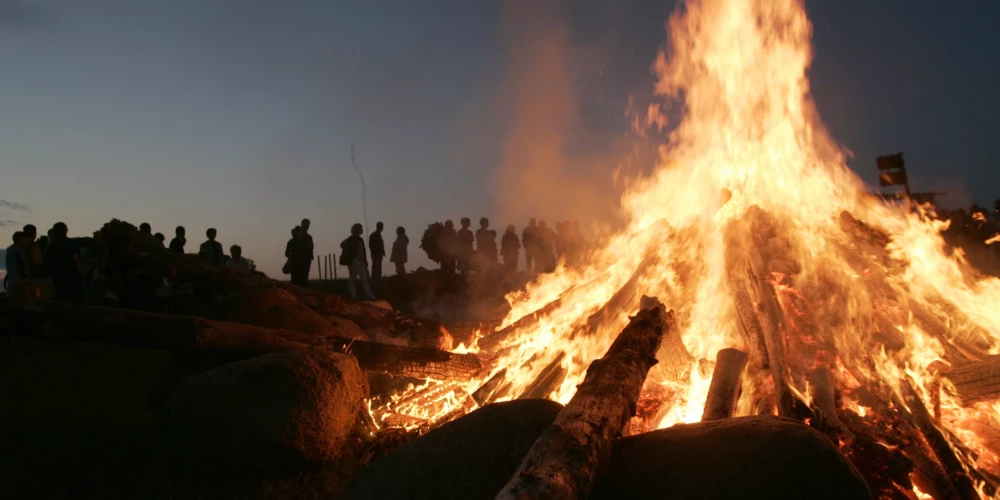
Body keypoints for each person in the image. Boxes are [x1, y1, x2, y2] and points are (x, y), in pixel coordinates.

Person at [45, 222, 84, 303]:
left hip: (57, 279)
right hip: (72, 278)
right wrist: (82, 274)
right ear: (66, 231)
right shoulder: (71, 243)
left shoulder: (50, 247)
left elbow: (46, 263)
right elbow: (76, 260)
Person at [340, 223, 376, 300]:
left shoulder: (360, 239)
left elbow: (363, 251)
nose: (362, 230)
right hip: (354, 261)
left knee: (364, 279)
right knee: (353, 278)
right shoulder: (350, 239)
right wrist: (351, 258)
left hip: (361, 261)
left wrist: (365, 261)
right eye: (361, 228)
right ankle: (353, 295)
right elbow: (343, 245)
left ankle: (369, 295)